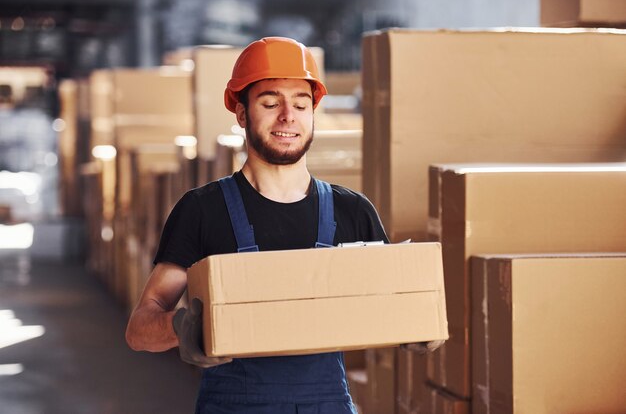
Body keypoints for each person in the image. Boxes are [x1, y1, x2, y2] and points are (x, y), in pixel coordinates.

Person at [125, 36, 441, 414]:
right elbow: (139, 329)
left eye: (301, 104)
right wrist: (180, 327)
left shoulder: (352, 212)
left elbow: (398, 305)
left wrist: (419, 327)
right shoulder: (202, 210)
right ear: (241, 113)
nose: (288, 117)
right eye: (271, 103)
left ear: (312, 113)